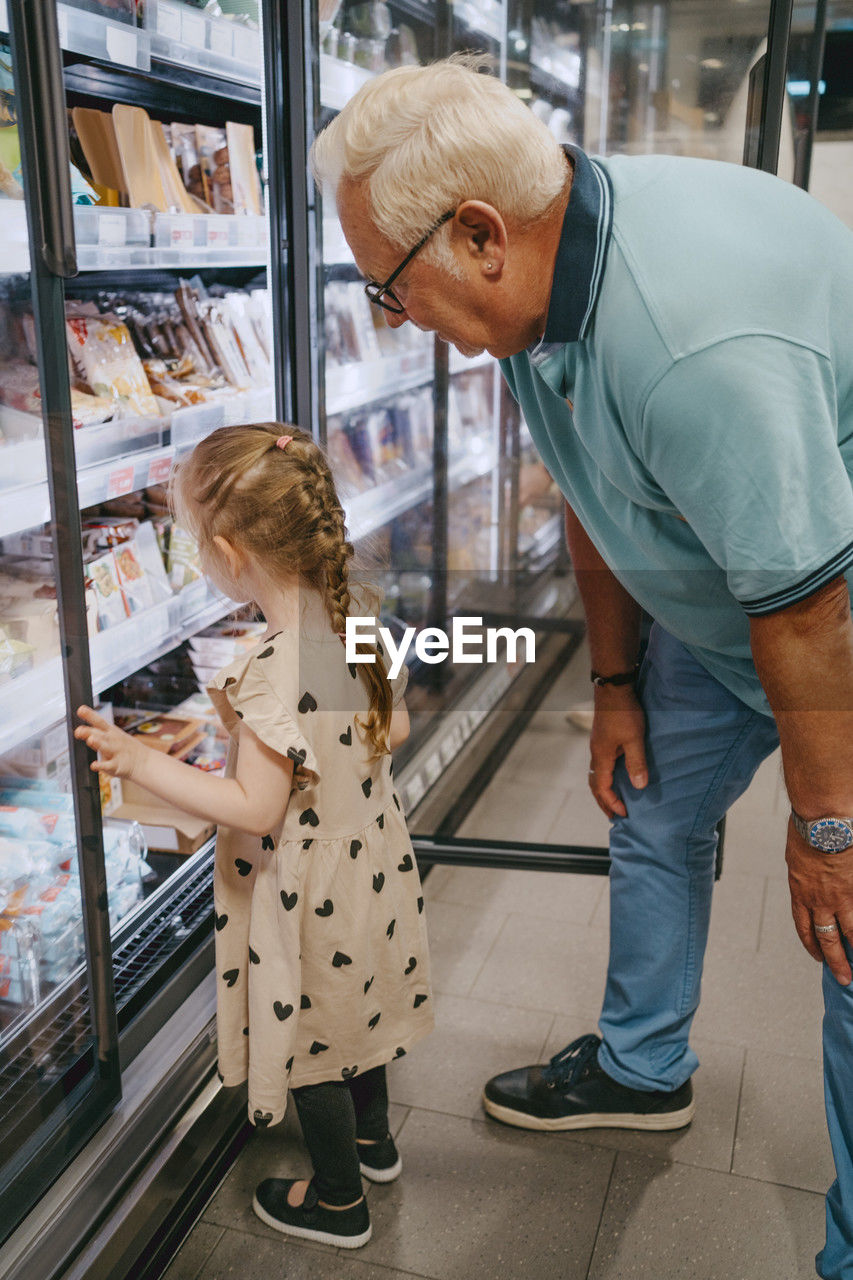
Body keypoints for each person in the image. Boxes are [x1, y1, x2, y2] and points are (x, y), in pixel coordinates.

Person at [310, 57, 853, 1278]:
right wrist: (613, 686)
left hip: (832, 622)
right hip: (723, 617)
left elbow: (810, 606)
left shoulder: (691, 335)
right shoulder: (542, 286)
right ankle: (639, 1064)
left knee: (848, 937)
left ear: (479, 234)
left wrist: (827, 829)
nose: (400, 325)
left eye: (390, 293)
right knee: (653, 812)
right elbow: (595, 497)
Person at [76, 423, 433, 1250]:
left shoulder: (267, 671)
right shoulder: (351, 626)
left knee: (312, 1039)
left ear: (230, 553)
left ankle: (339, 1199)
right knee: (358, 1010)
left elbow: (251, 808)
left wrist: (137, 759)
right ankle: (374, 1141)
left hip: (306, 887)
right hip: (370, 863)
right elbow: (397, 724)